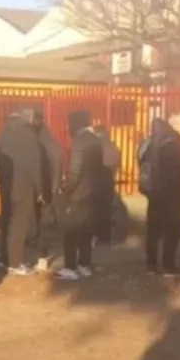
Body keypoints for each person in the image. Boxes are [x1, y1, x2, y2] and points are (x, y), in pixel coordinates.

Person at [55, 110, 110, 280]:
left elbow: (74, 172)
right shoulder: (96, 140)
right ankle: (84, 264)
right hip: (92, 193)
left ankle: (70, 267)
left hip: (78, 194)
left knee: (71, 231)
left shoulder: (79, 142)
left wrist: (66, 191)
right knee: (86, 231)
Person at [0, 108, 44, 276]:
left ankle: (4, 257)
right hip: (24, 184)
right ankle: (15, 262)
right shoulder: (29, 134)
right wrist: (40, 188)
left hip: (6, 184)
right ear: (27, 117)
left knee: (7, 220)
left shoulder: (3, 133)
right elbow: (34, 163)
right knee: (19, 224)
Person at [140, 113, 180, 276]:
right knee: (171, 231)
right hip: (170, 194)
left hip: (153, 192)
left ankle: (151, 265)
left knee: (153, 230)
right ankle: (168, 265)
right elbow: (176, 173)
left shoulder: (149, 142)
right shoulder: (172, 144)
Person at [31, 110, 62, 272]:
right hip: (50, 187)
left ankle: (41, 255)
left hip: (39, 187)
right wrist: (54, 186)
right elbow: (58, 165)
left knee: (39, 222)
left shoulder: (36, 144)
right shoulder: (53, 143)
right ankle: (42, 256)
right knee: (46, 222)